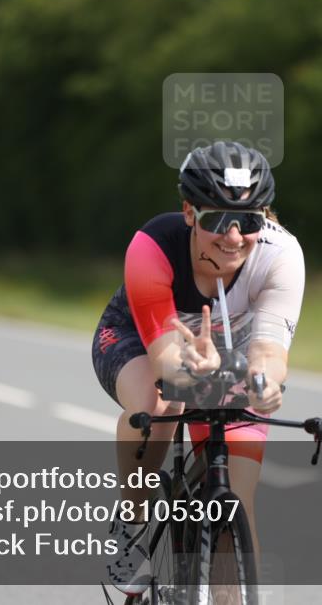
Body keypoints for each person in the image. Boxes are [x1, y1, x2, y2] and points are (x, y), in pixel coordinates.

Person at [91, 141, 305, 596]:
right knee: (159, 400)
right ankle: (132, 523)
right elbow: (167, 358)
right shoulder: (152, 246)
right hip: (139, 339)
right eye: (215, 220)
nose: (232, 237)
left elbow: (269, 351)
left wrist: (266, 383)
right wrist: (189, 365)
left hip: (232, 355)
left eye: (248, 222)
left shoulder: (281, 256)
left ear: (264, 217)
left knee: (238, 509)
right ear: (189, 212)